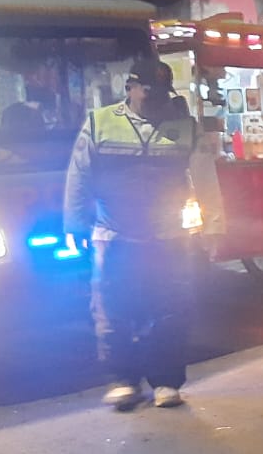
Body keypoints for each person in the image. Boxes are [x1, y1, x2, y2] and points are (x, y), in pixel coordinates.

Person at [64, 59, 224, 411]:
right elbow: (79, 176)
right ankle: (124, 381)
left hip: (168, 238)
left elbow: (206, 179)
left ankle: (166, 381)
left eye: (162, 93)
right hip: (114, 237)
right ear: (130, 88)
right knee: (112, 312)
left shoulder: (186, 128)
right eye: (148, 91)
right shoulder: (100, 123)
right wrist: (74, 224)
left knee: (170, 312)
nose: (155, 100)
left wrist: (213, 227)